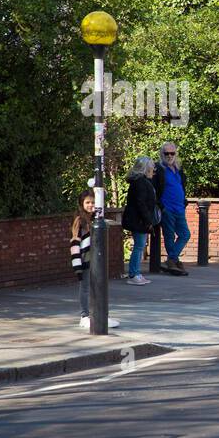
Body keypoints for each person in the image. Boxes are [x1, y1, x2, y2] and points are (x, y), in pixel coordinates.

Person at [71, 189, 120, 329]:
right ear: (82, 203)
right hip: (86, 258)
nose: (91, 205)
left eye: (93, 202)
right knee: (85, 287)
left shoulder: (96, 218)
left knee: (100, 286)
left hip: (97, 257)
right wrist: (77, 264)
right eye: (87, 202)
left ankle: (101, 314)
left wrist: (99, 190)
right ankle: (84, 316)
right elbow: (75, 241)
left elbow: (104, 196)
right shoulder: (80, 220)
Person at [153, 141, 190, 275]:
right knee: (168, 235)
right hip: (167, 208)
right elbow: (154, 189)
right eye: (166, 153)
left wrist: (184, 200)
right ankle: (173, 261)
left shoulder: (178, 169)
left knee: (185, 234)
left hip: (179, 208)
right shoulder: (159, 169)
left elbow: (181, 186)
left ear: (175, 154)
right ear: (162, 154)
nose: (169, 156)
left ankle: (171, 260)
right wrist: (160, 206)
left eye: (172, 153)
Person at [120, 156, 159, 285]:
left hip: (138, 219)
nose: (154, 169)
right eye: (152, 166)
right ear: (146, 168)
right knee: (139, 246)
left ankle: (136, 272)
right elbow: (141, 203)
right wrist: (148, 221)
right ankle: (133, 274)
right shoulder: (140, 182)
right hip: (139, 220)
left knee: (140, 246)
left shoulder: (141, 181)